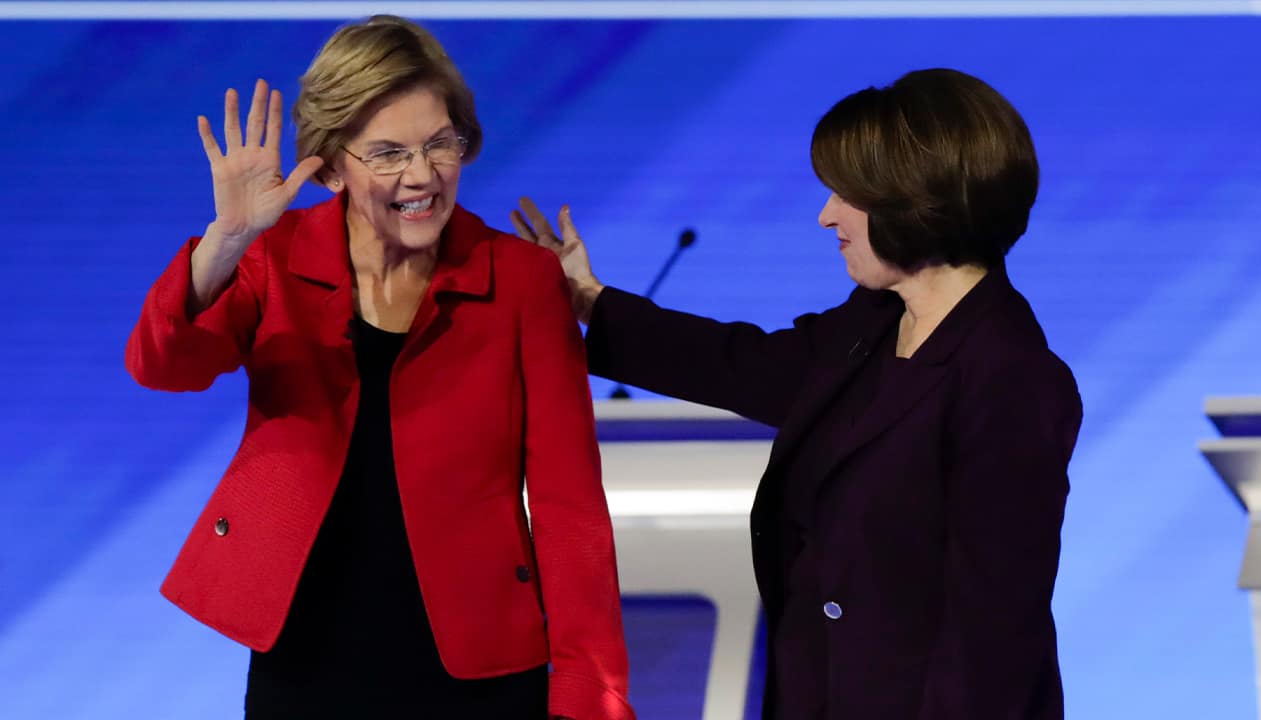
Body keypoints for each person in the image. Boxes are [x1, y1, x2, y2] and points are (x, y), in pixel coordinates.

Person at [513, 68, 1082, 720]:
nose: (826, 216)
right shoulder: (871, 325)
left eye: (849, 195)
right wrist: (589, 302)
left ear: (916, 199)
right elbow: (743, 364)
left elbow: (991, 638)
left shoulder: (1012, 380)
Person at [125, 15, 633, 720]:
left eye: (440, 144)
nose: (422, 176)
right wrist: (225, 243)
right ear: (331, 166)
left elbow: (569, 507)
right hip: (305, 659)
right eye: (388, 153)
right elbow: (162, 366)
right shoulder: (273, 260)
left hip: (478, 665)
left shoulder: (521, 281)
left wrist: (590, 697)